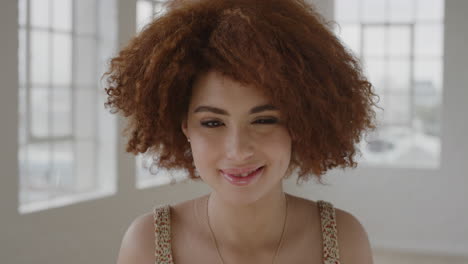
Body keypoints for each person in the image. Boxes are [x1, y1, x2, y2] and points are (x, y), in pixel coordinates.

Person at [104, 0, 378, 263]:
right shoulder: (147, 245)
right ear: (184, 126)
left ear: (300, 123)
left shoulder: (344, 240)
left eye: (264, 120)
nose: (238, 150)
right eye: (212, 123)